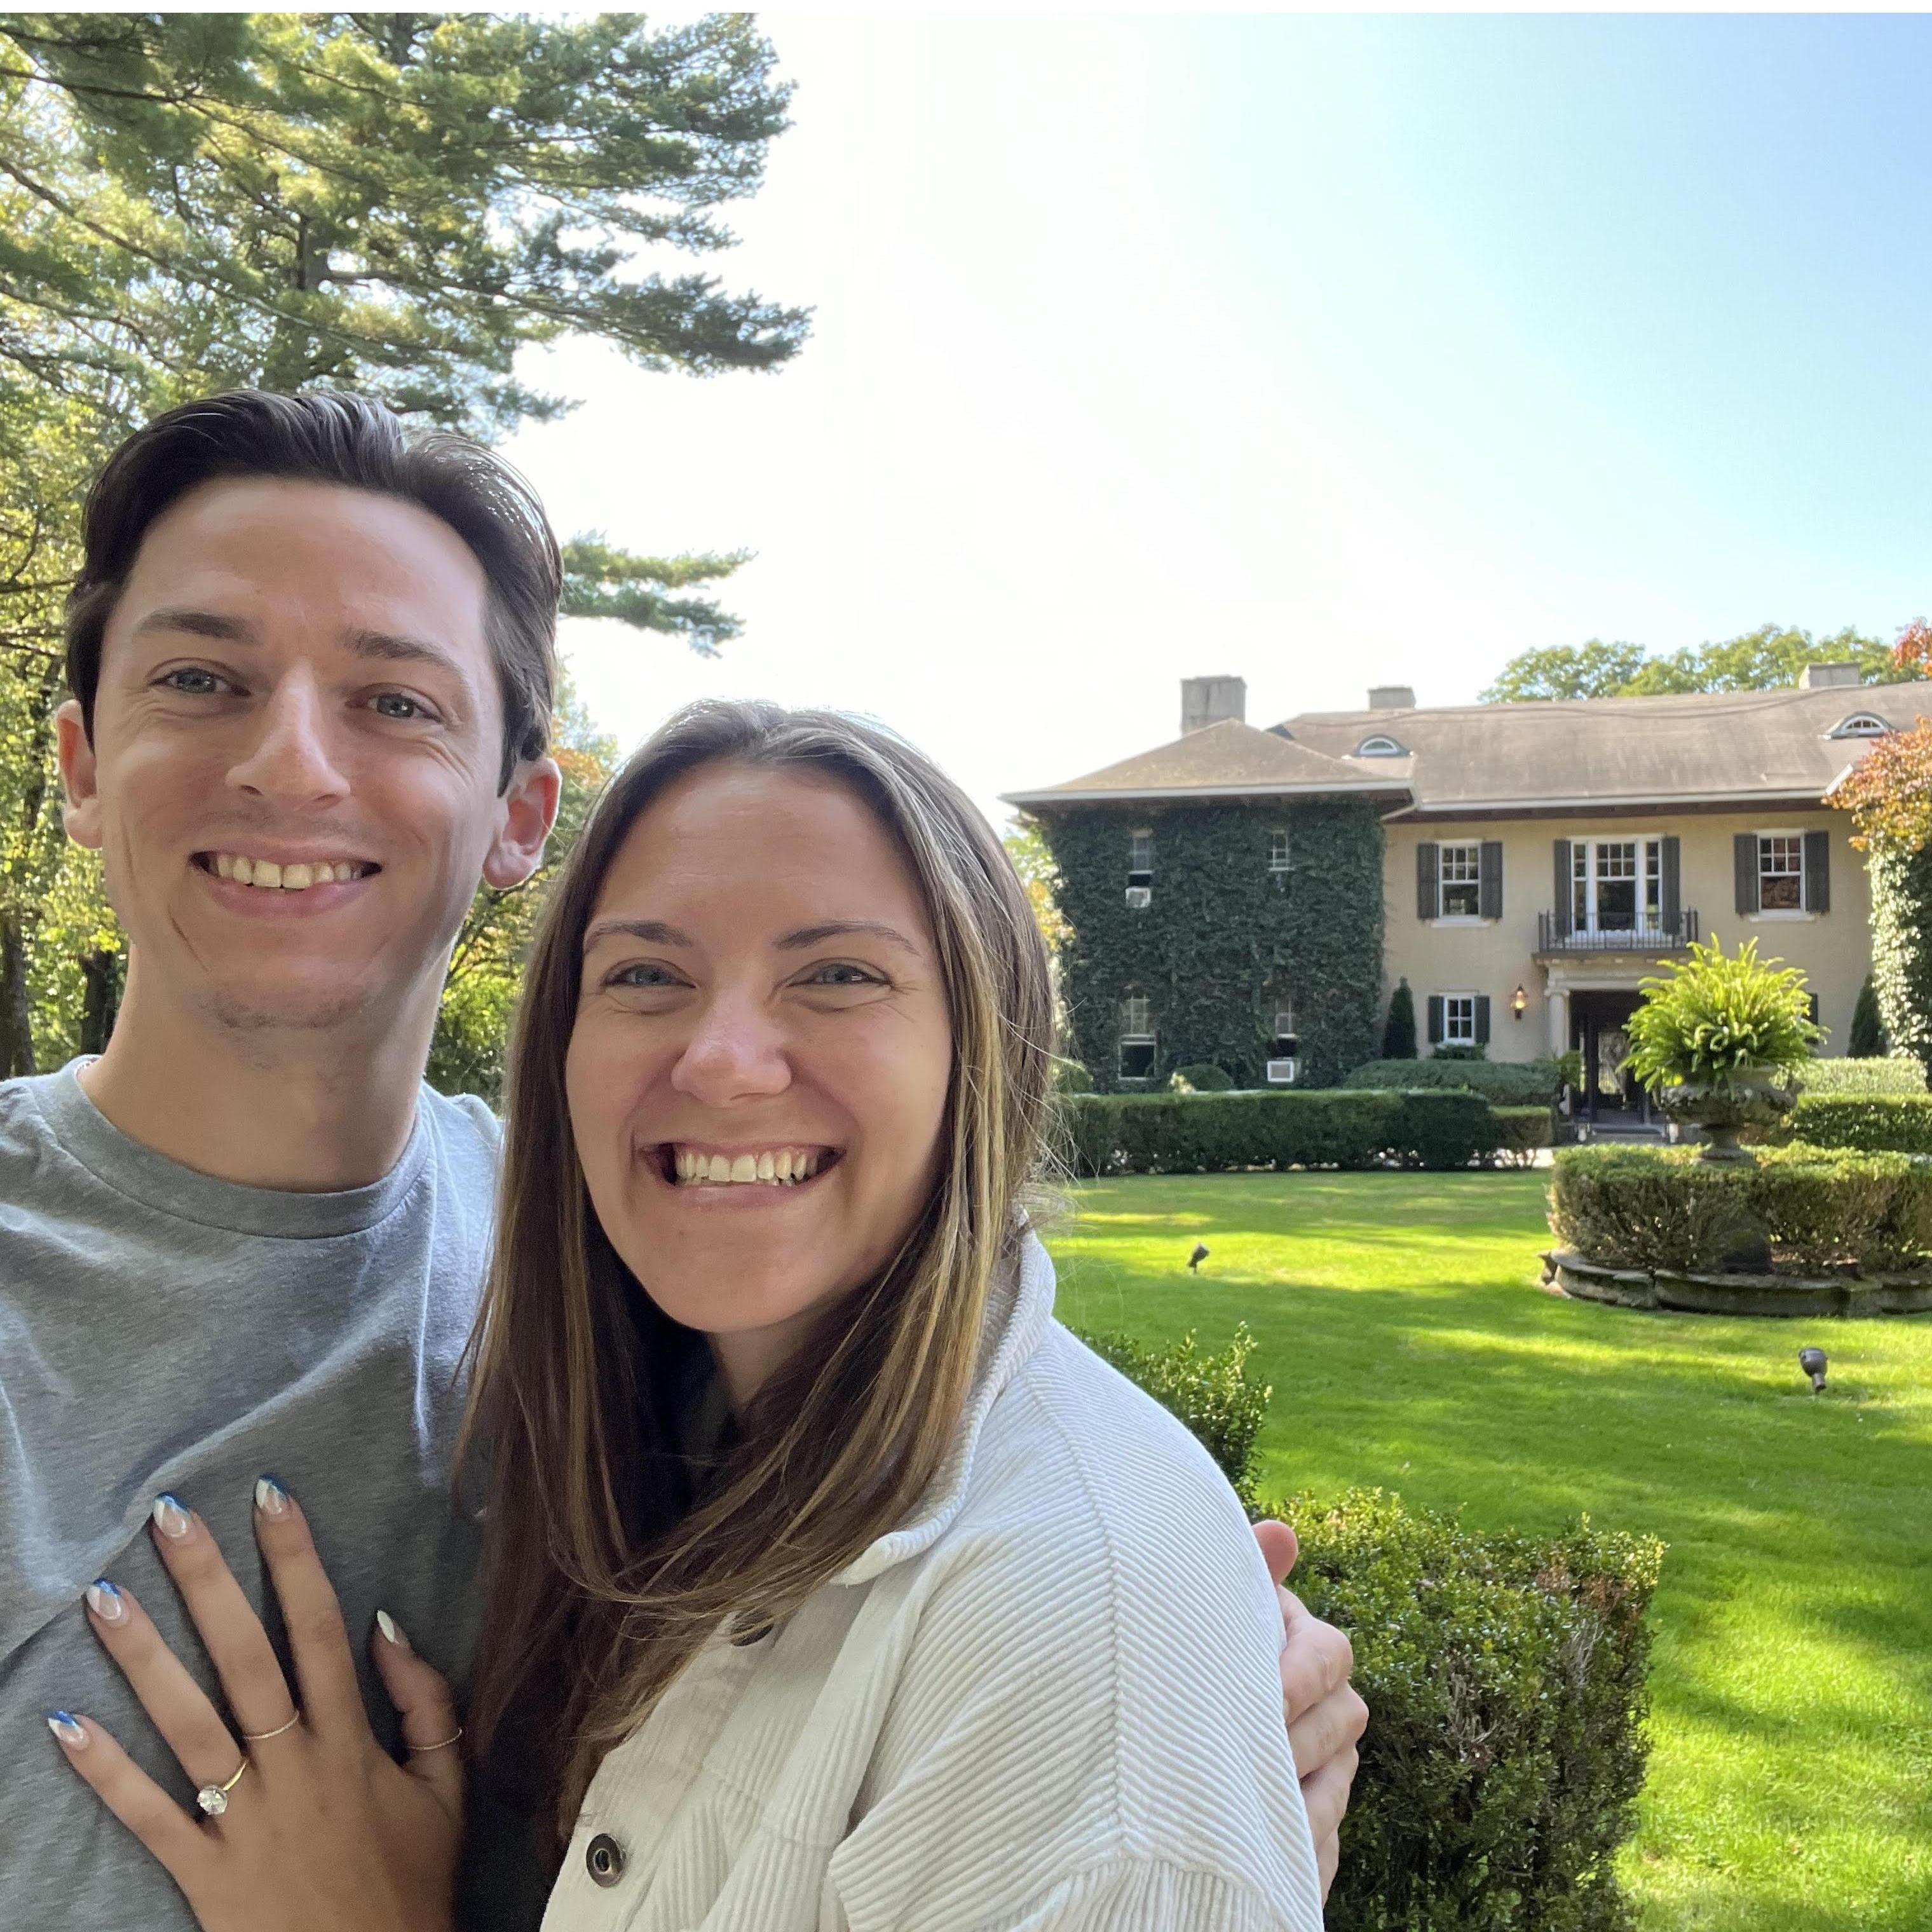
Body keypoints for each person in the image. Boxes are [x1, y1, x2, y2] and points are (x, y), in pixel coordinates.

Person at [5, 389, 1361, 1929]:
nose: (293, 764)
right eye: (201, 675)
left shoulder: (633, 1243)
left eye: (393, 700)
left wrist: (1161, 1693)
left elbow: (984, 1486)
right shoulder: (633, 1247)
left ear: (519, 814)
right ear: (82, 760)